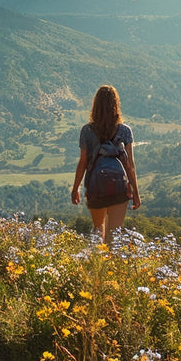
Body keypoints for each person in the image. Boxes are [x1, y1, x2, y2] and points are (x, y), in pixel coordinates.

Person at [70, 84, 140, 246]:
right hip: (119, 187)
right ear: (116, 105)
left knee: (97, 233)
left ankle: (98, 268)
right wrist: (135, 192)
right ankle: (114, 268)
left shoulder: (87, 131)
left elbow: (83, 162)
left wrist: (76, 189)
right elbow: (130, 165)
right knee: (114, 236)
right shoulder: (124, 131)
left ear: (95, 106)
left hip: (96, 187)